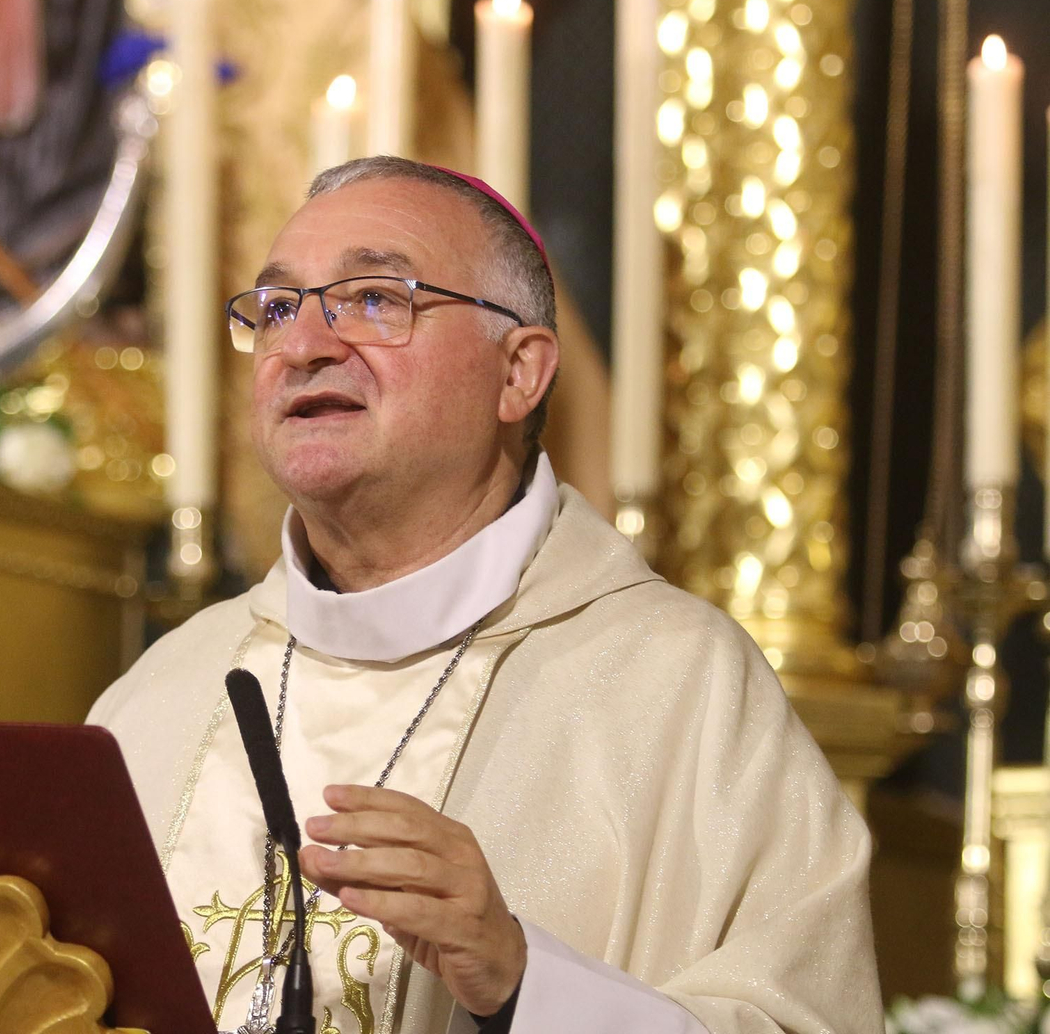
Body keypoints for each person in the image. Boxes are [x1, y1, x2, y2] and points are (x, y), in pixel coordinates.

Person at [88, 156, 879, 1034]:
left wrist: (522, 980)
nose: (303, 346)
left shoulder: (676, 685)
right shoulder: (164, 692)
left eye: (376, 300)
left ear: (519, 374)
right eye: (277, 309)